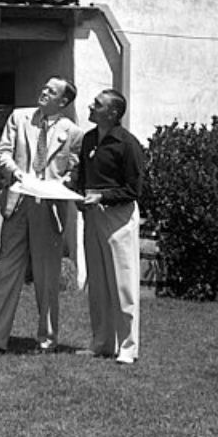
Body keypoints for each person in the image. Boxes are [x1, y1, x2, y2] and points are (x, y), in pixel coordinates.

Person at [0, 76, 82, 354]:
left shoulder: (72, 132)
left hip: (49, 209)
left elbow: (74, 170)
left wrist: (61, 184)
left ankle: (47, 340)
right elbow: (2, 153)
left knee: (47, 278)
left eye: (52, 91)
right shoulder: (19, 117)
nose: (44, 92)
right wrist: (18, 174)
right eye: (44, 87)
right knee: (6, 272)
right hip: (18, 201)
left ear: (63, 101)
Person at [72, 89, 145, 364]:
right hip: (92, 214)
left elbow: (133, 189)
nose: (91, 106)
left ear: (113, 113)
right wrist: (81, 197)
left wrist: (102, 197)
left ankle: (128, 346)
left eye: (98, 104)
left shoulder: (128, 144)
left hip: (118, 217)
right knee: (99, 282)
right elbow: (84, 177)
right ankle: (102, 343)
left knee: (123, 282)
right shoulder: (89, 138)